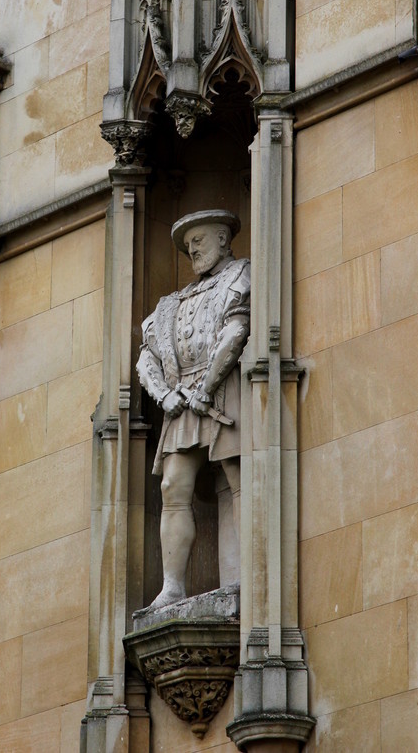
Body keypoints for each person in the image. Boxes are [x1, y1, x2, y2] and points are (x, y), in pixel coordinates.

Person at [137, 209, 250, 609]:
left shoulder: (241, 276)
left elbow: (236, 332)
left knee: (239, 480)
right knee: (173, 487)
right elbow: (145, 358)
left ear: (223, 239)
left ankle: (243, 579)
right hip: (181, 401)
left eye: (199, 240)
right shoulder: (171, 303)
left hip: (225, 392)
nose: (193, 249)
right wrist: (165, 395)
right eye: (188, 246)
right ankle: (172, 586)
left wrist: (207, 387)